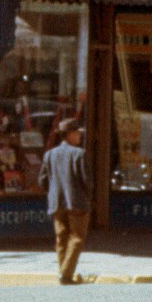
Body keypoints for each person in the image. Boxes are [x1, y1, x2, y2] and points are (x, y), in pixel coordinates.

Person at [44, 120, 92, 285]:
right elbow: (87, 181)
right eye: (77, 132)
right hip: (77, 202)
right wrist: (86, 196)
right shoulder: (79, 154)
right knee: (76, 238)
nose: (80, 135)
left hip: (56, 203)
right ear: (69, 134)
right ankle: (65, 274)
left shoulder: (49, 154)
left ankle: (64, 272)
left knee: (62, 238)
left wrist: (53, 193)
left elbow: (43, 180)